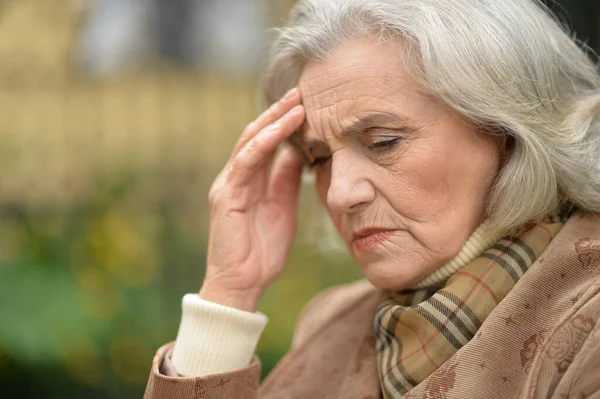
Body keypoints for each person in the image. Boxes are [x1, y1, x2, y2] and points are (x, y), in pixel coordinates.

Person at [145, 0, 600, 397]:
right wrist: (229, 292)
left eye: (383, 142)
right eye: (319, 158)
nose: (340, 194)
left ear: (507, 134)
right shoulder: (331, 321)